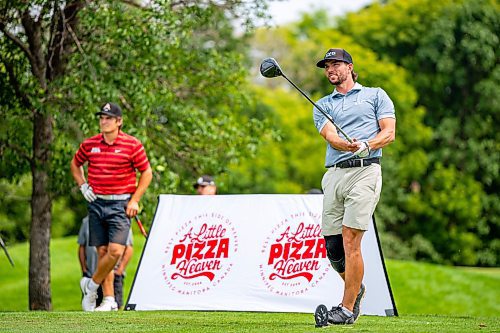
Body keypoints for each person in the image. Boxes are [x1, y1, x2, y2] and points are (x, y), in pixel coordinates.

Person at [312, 48, 396, 326]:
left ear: (349, 66)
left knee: (350, 240)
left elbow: (389, 132)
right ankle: (355, 288)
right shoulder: (323, 103)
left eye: (335, 64)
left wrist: (367, 144)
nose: (330, 69)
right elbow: (330, 136)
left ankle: (346, 309)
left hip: (365, 171)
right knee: (333, 248)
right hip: (335, 174)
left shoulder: (375, 95)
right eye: (326, 66)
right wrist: (347, 145)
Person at [71, 102, 152, 311]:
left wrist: (135, 200)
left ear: (119, 122)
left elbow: (147, 172)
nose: (104, 121)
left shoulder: (132, 145)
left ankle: (91, 285)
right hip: (96, 203)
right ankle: (109, 300)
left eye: (108, 118)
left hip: (120, 204)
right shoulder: (90, 144)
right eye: (102, 118)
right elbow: (75, 163)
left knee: (116, 251)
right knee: (102, 251)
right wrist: (82, 186)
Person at [77, 216, 133, 309]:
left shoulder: (122, 219)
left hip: (115, 274)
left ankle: (91, 286)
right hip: (92, 272)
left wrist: (120, 270)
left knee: (117, 306)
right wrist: (84, 269)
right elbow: (81, 246)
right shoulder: (87, 221)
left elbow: (129, 248)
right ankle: (91, 286)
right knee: (93, 307)